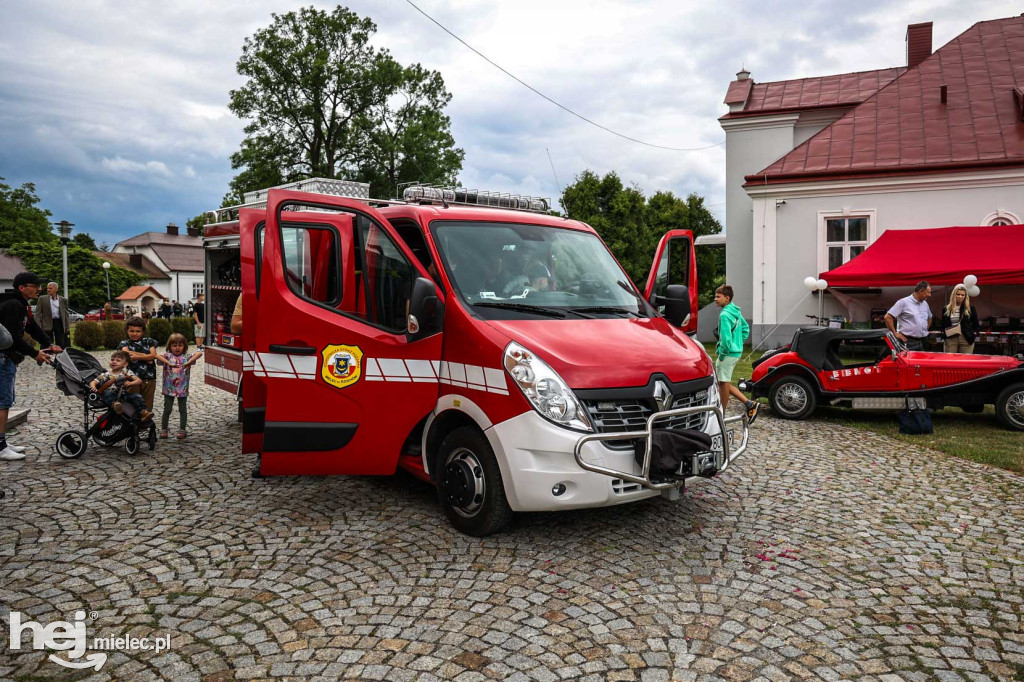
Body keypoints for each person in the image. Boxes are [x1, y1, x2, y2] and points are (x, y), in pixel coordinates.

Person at [0, 272, 62, 460]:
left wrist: (47, 344)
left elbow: (31, 326)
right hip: (3, 357)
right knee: (2, 403)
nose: (39, 289)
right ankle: (0, 446)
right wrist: (35, 354)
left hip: (7, 358)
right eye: (34, 286)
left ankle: (1, 441)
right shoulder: (12, 305)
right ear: (22, 288)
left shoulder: (20, 304)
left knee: (5, 401)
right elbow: (13, 338)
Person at [714, 285, 760, 424]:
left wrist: (723, 353)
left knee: (723, 383)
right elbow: (745, 328)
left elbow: (726, 340)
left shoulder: (724, 315)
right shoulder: (734, 311)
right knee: (723, 382)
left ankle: (721, 415)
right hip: (735, 352)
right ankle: (749, 404)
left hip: (727, 354)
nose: (715, 299)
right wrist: (738, 343)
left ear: (727, 298)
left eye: (718, 296)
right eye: (715, 296)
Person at [156, 333, 202, 439]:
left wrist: (189, 362)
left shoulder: (186, 357)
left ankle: (182, 429)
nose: (177, 348)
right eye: (174, 345)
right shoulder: (167, 356)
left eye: (180, 345)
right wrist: (168, 363)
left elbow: (199, 353)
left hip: (183, 389)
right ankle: (164, 428)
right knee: (167, 409)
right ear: (170, 346)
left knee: (183, 409)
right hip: (169, 388)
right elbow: (157, 356)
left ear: (184, 346)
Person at [89, 350, 151, 421]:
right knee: (107, 394)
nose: (114, 362)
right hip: (110, 393)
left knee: (137, 396)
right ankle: (115, 405)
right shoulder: (106, 374)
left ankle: (143, 412)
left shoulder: (126, 373)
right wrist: (93, 387)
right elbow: (94, 382)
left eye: (118, 360)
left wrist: (130, 383)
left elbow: (139, 380)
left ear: (125, 364)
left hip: (122, 394)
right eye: (112, 360)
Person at [117, 317, 158, 411]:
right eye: (131, 331)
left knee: (147, 404)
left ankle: (144, 423)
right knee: (132, 403)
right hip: (132, 378)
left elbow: (153, 356)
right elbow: (127, 354)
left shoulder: (149, 341)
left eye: (138, 331)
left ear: (143, 331)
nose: (134, 334)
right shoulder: (124, 343)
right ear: (127, 331)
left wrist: (137, 356)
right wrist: (145, 355)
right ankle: (132, 424)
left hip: (149, 377)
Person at [885, 281, 933, 351]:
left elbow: (930, 317)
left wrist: (924, 329)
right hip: (908, 341)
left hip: (923, 340)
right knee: (910, 361)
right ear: (921, 291)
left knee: (921, 361)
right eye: (928, 292)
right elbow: (888, 317)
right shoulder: (903, 302)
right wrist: (895, 333)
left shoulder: (925, 303)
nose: (930, 295)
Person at [941, 284, 979, 354]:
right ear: (954, 295)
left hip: (966, 337)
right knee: (950, 361)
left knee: (965, 361)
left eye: (962, 295)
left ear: (965, 296)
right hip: (950, 337)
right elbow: (943, 324)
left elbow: (976, 324)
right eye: (958, 294)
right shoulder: (946, 308)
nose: (960, 296)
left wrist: (973, 334)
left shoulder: (970, 308)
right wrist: (944, 334)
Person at [35, 282, 70, 348]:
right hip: (46, 323)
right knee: (46, 342)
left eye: (50, 288)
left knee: (60, 343)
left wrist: (67, 326)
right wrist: (37, 324)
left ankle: (60, 357)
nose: (48, 290)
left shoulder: (63, 300)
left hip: (59, 323)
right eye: (47, 288)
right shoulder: (42, 299)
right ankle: (46, 356)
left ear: (56, 289)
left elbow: (66, 314)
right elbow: (38, 313)